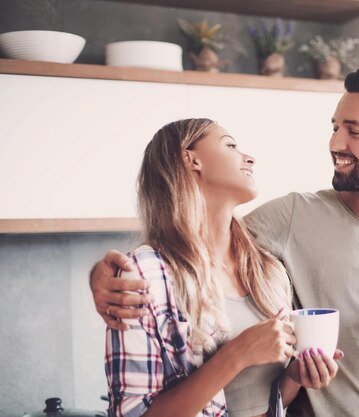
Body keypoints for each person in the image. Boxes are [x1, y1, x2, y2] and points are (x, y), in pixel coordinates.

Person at [91, 69, 359, 417]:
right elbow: (196, 243)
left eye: (354, 131)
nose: (336, 143)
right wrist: (103, 275)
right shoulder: (294, 216)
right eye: (334, 127)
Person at [101, 118, 342, 417]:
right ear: (190, 159)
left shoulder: (267, 272)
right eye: (230, 145)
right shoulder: (146, 274)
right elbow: (133, 413)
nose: (249, 157)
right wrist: (237, 354)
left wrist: (295, 376)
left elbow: (261, 401)